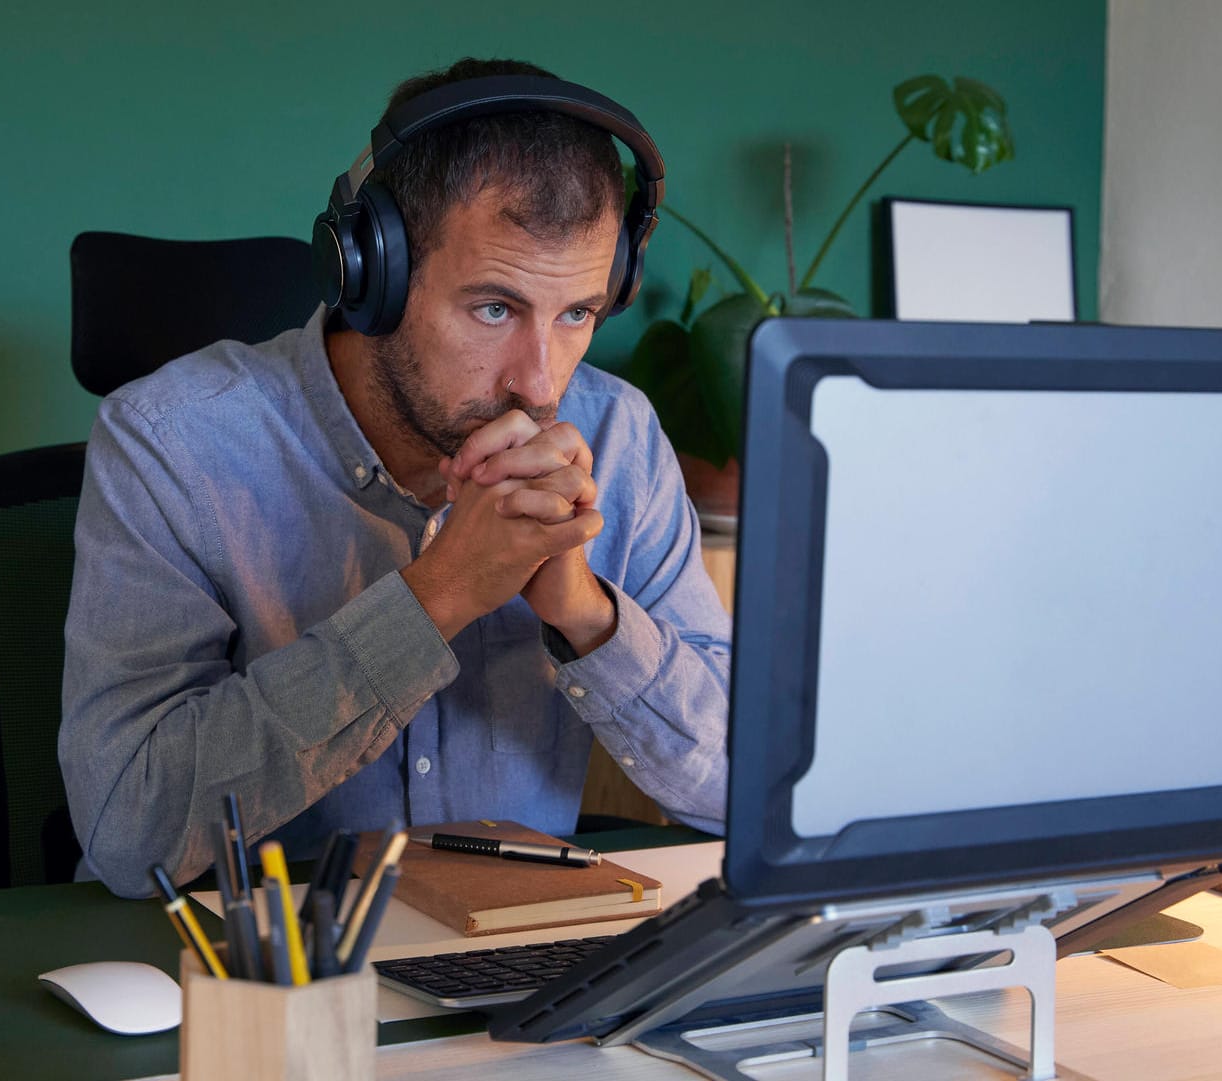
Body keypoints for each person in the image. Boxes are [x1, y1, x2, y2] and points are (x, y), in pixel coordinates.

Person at [60, 57, 729, 896]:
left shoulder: (618, 434)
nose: (541, 382)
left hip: (515, 973)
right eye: (495, 308)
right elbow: (130, 835)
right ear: (371, 275)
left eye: (577, 315)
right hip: (257, 972)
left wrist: (583, 611)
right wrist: (440, 593)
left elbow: (750, 784)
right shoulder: (169, 444)